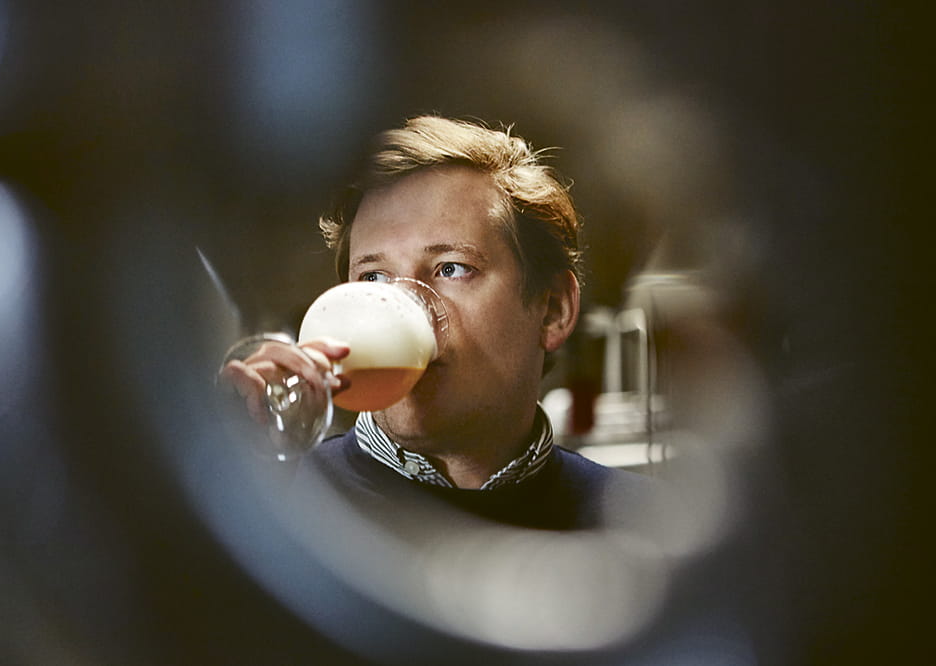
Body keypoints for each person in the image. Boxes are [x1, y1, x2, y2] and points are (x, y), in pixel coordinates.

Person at [219, 115, 649, 532]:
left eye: (451, 268)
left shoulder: (637, 527)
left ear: (553, 309)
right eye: (375, 278)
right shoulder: (273, 505)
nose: (404, 308)